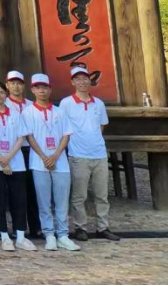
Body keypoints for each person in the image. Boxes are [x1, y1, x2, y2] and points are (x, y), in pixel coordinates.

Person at [21, 73, 80, 252]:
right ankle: (49, 234)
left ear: (50, 89)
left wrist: (55, 155)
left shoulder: (59, 111)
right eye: (38, 87)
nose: (41, 91)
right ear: (32, 90)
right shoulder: (27, 112)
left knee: (61, 200)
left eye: (44, 87)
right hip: (38, 162)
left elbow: (66, 135)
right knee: (43, 200)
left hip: (60, 162)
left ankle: (63, 234)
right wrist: (44, 156)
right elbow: (29, 137)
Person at [61, 66, 119, 242]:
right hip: (78, 155)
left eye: (85, 78)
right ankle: (81, 227)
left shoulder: (98, 103)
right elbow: (62, 128)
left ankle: (103, 227)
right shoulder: (66, 103)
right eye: (78, 79)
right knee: (79, 196)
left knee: (102, 195)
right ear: (72, 82)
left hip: (99, 154)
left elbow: (101, 126)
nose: (82, 82)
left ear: (90, 80)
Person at [0, 80, 35, 252]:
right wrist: (1, 160)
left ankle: (20, 236)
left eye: (1, 92)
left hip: (16, 162)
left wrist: (9, 157)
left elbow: (21, 138)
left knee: (19, 199)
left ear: (6, 94)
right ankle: (4, 235)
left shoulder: (15, 113)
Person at [5, 70, 41, 238]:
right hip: (13, 151)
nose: (16, 86)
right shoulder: (4, 104)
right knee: (16, 192)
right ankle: (18, 227)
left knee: (33, 189)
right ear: (7, 85)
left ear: (24, 86)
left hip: (32, 150)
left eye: (19, 83)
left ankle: (36, 226)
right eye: (12, 83)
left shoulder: (31, 105)